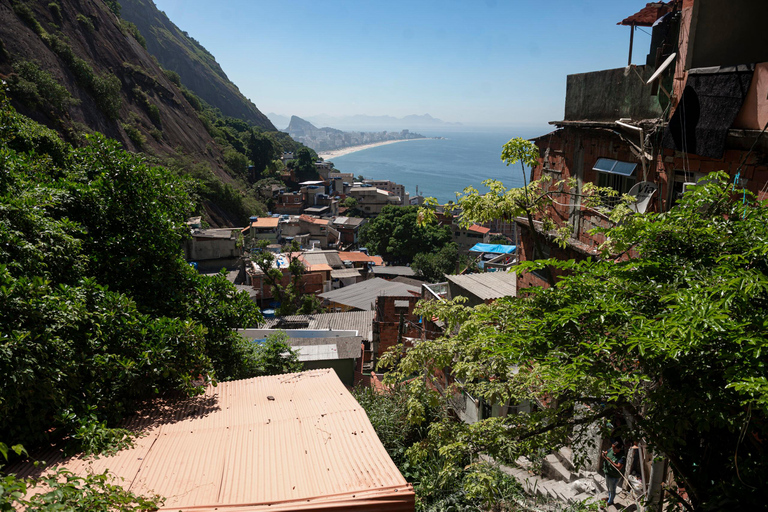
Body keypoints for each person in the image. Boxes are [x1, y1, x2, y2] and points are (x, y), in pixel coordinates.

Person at [602, 441, 626, 506]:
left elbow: (618, 467)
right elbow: (606, 452)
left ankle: (610, 502)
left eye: (614, 448)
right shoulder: (611, 449)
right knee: (608, 486)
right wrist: (604, 454)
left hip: (614, 476)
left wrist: (610, 461)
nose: (613, 449)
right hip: (608, 473)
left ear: (619, 449)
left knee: (612, 489)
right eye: (612, 447)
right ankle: (610, 498)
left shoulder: (622, 457)